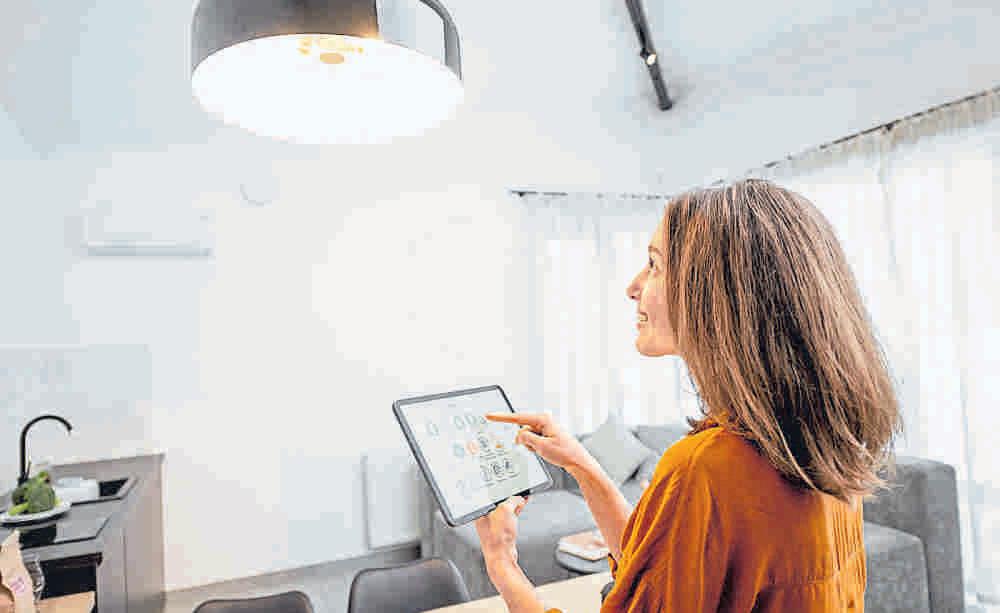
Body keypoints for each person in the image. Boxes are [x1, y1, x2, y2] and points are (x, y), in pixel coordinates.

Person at [475, 178, 903, 612]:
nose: (633, 286)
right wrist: (582, 466)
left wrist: (502, 565)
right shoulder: (825, 449)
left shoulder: (706, 470)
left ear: (714, 292)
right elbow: (667, 577)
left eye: (654, 265)